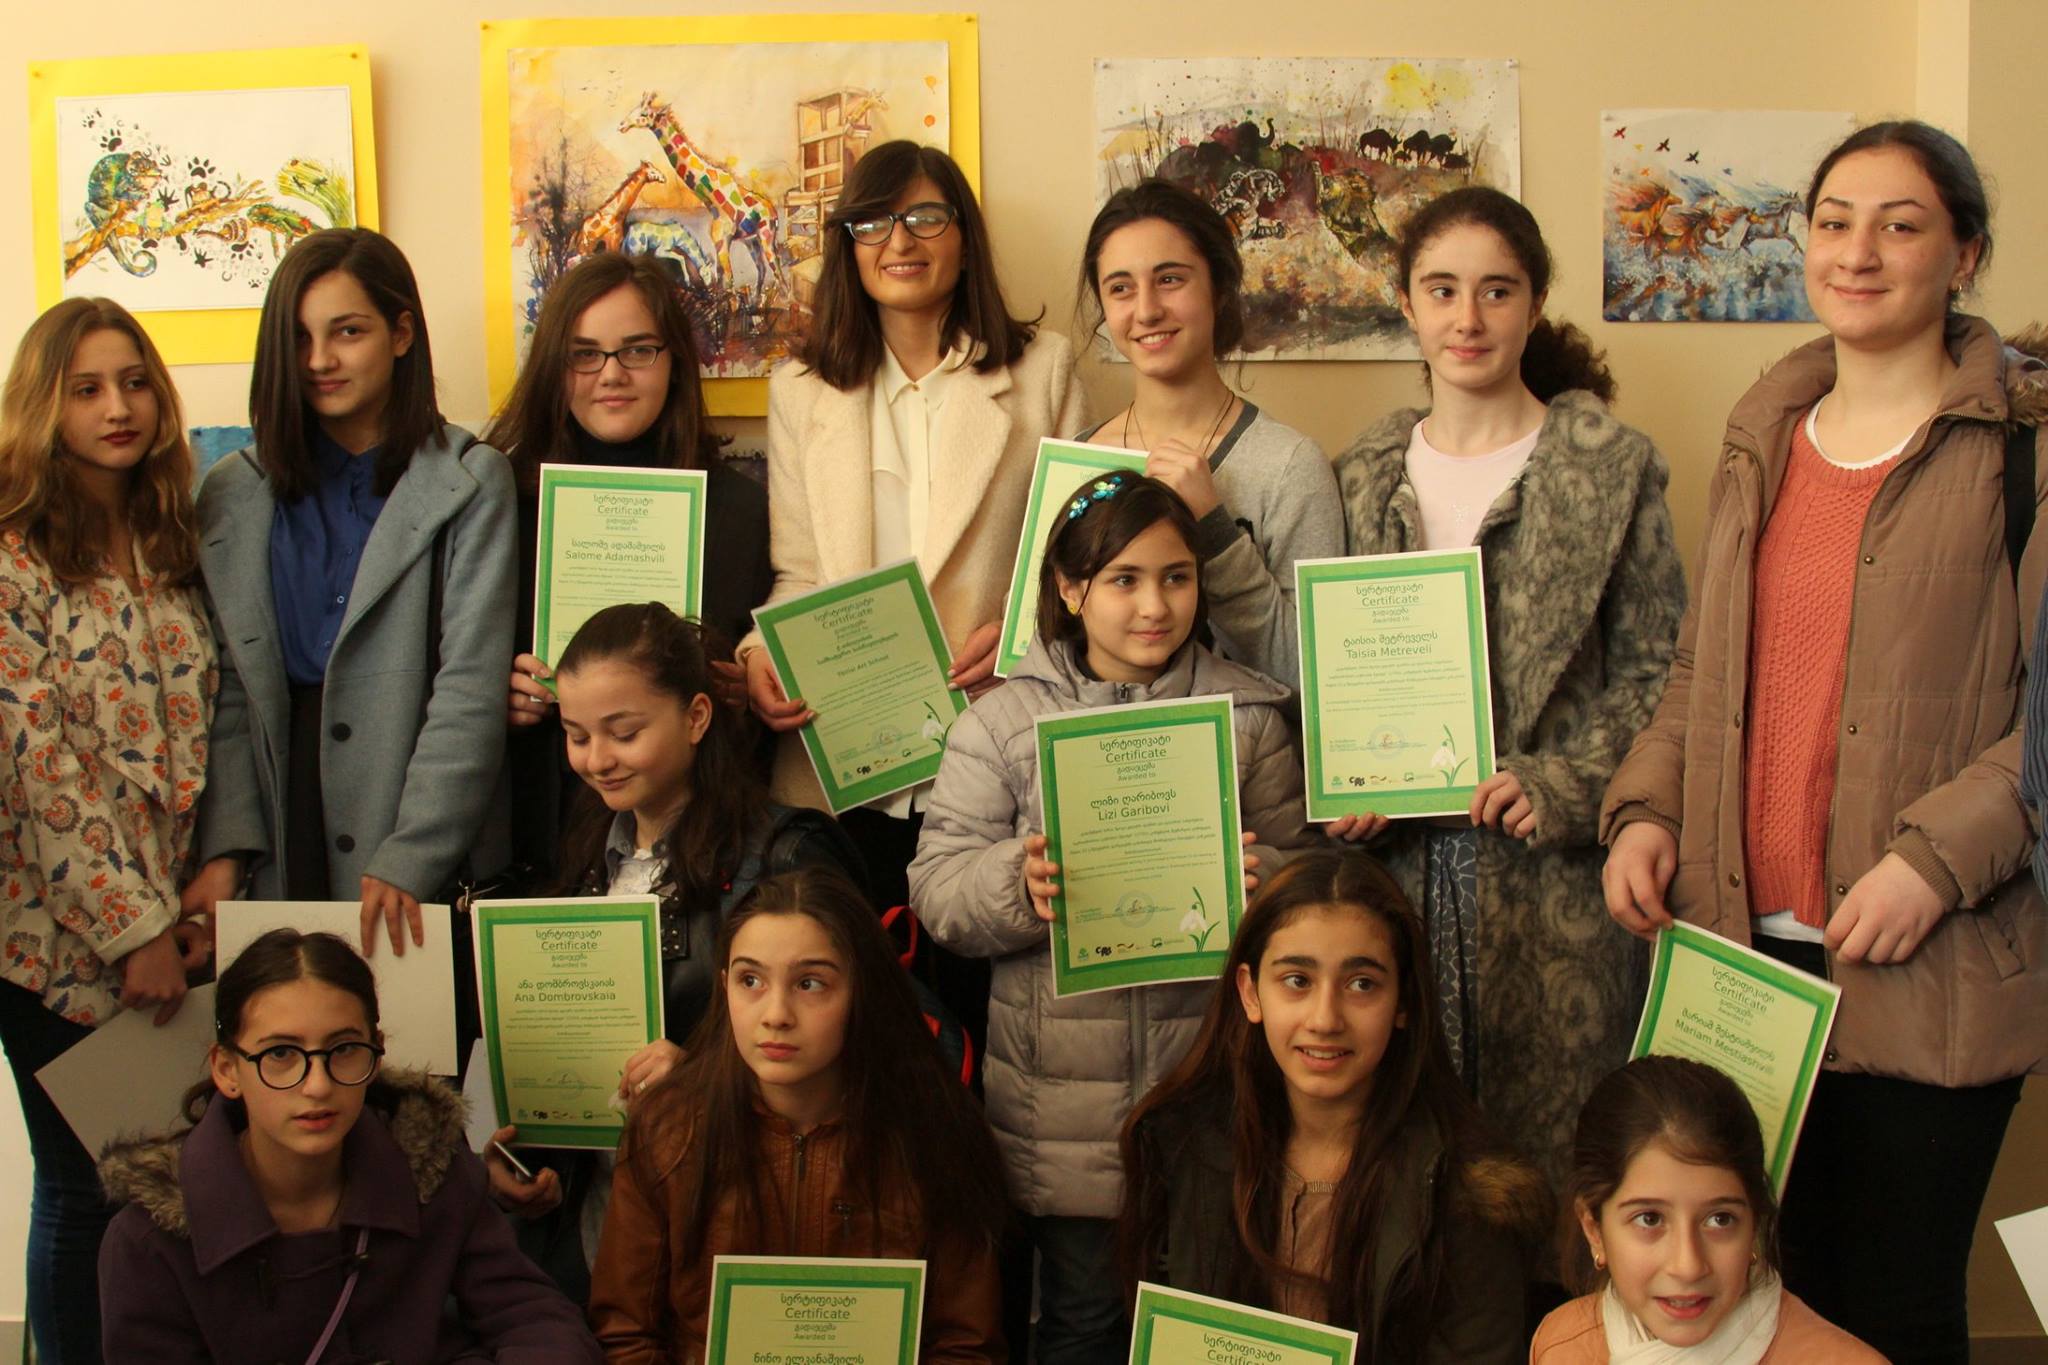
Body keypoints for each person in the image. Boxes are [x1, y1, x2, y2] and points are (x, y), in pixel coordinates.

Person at [1600, 120, 2048, 1364]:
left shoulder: (2020, 449)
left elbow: (2047, 722)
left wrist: (1932, 863)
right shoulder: (1764, 430)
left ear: (1963, 255)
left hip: (1929, 958)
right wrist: (1644, 810)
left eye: (1899, 226)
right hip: (1742, 958)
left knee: (1887, 1313)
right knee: (1753, 1311)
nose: (1857, 252)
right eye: (1833, 222)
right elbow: (1704, 672)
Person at [910, 472, 1314, 1362]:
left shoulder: (1248, 719)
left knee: (1210, 1323)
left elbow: (1313, 889)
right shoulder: (1001, 725)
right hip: (1062, 1122)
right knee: (1082, 1323)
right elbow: (937, 890)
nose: (1154, 605)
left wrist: (1271, 886)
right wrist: (1018, 884)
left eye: (1176, 577)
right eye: (1124, 579)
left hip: (1214, 1102)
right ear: (1069, 588)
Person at [1332, 187, 1685, 1192]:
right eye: (1441, 289)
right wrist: (1343, 780)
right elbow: (1320, 664)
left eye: (1496, 290)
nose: (1468, 317)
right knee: (1405, 1172)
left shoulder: (1612, 467)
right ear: (1406, 302)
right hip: (1397, 880)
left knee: (1559, 1174)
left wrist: (1563, 782)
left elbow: (1663, 667)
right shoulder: (1361, 472)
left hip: (1556, 893)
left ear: (1533, 304)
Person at [737, 139, 1088, 947]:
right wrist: (759, 655)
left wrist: (1024, 639)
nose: (899, 241)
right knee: (854, 991)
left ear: (964, 237)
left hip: (995, 752)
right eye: (873, 222)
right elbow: (798, 572)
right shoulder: (800, 391)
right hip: (844, 766)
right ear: (848, 245)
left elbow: (1079, 565)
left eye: (926, 217)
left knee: (978, 1000)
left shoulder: (1043, 371)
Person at [480, 601, 864, 1295]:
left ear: (696, 717)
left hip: (741, 1216)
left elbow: (859, 1041)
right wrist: (537, 1159)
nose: (597, 759)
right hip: (607, 1223)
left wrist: (702, 1072)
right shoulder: (588, 856)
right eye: (575, 736)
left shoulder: (785, 854)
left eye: (624, 732)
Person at [0, 296, 223, 1364]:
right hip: (47, 941)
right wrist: (132, 930)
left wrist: (208, 886)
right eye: (86, 388)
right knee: (84, 1188)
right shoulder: (14, 560)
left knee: (155, 1187)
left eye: (134, 382)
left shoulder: (175, 544)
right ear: (44, 405)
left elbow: (211, 727)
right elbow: (35, 764)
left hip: (174, 925)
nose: (117, 406)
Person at [195, 228, 517, 960]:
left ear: (401, 334)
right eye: (299, 337)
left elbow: (469, 688)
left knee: (403, 1030)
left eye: (347, 332)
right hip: (280, 818)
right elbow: (228, 692)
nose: (319, 361)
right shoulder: (232, 491)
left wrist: (414, 849)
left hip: (408, 817)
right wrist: (230, 847)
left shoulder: (471, 480)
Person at [95, 928, 601, 1362]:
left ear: (376, 1054)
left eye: (344, 1050)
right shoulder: (149, 1240)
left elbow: (534, 1318)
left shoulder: (435, 1176)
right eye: (281, 1054)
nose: (317, 1085)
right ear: (227, 1070)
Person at [1121, 850, 1547, 1360]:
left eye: (1361, 984)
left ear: (1404, 1002)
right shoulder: (1182, 1149)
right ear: (1251, 994)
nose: (1325, 1019)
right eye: (1297, 981)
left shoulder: (1473, 1194)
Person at [587, 867, 1008, 1361]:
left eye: (809, 983)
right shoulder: (669, 1128)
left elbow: (965, 1346)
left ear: (861, 991)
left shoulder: (933, 1134)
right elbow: (626, 1335)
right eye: (750, 980)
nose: (775, 1015)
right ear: (723, 987)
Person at [490, 252, 772, 885]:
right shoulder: (501, 501)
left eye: (638, 350)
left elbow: (750, 687)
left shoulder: (738, 509)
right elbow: (444, 669)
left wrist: (737, 692)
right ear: (554, 367)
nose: (611, 374)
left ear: (674, 362)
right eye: (584, 354)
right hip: (536, 823)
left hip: (695, 852)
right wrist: (495, 690)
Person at [1073, 177, 1341, 683]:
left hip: (1249, 736)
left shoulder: (1289, 467)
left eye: (1170, 279)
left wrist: (1216, 533)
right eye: (1121, 288)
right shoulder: (1074, 462)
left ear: (1218, 288)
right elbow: (1047, 657)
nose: (1146, 310)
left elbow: (1315, 681)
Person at [1531, 1055, 1884, 1363]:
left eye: (1720, 1219)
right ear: (1594, 1229)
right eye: (1649, 1219)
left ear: (1755, 1224)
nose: (1688, 1266)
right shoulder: (1563, 1346)